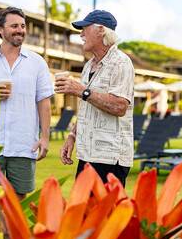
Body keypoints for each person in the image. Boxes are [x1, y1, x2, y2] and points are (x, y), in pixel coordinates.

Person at [0, 6, 53, 199]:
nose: (20, 30)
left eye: (23, 26)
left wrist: (45, 137)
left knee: (18, 206)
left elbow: (44, 102)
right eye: (14, 25)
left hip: (23, 145)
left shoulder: (37, 63)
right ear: (0, 29)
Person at [56, 10, 134, 187]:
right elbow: (86, 108)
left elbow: (120, 107)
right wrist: (71, 136)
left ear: (101, 30)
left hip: (110, 158)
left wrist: (83, 91)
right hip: (87, 155)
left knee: (107, 214)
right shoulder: (88, 66)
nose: (81, 34)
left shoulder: (121, 63)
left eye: (85, 28)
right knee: (82, 213)